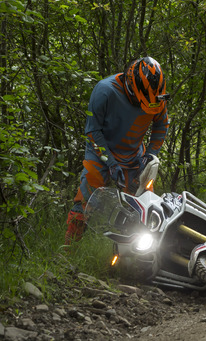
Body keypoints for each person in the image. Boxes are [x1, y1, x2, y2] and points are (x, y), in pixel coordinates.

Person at [65, 57, 171, 245]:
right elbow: (92, 131)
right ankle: (67, 254)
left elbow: (162, 124)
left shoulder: (157, 98)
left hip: (135, 158)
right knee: (84, 204)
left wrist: (151, 154)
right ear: (132, 85)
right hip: (101, 153)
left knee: (147, 208)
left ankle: (143, 258)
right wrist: (111, 163)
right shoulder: (105, 91)